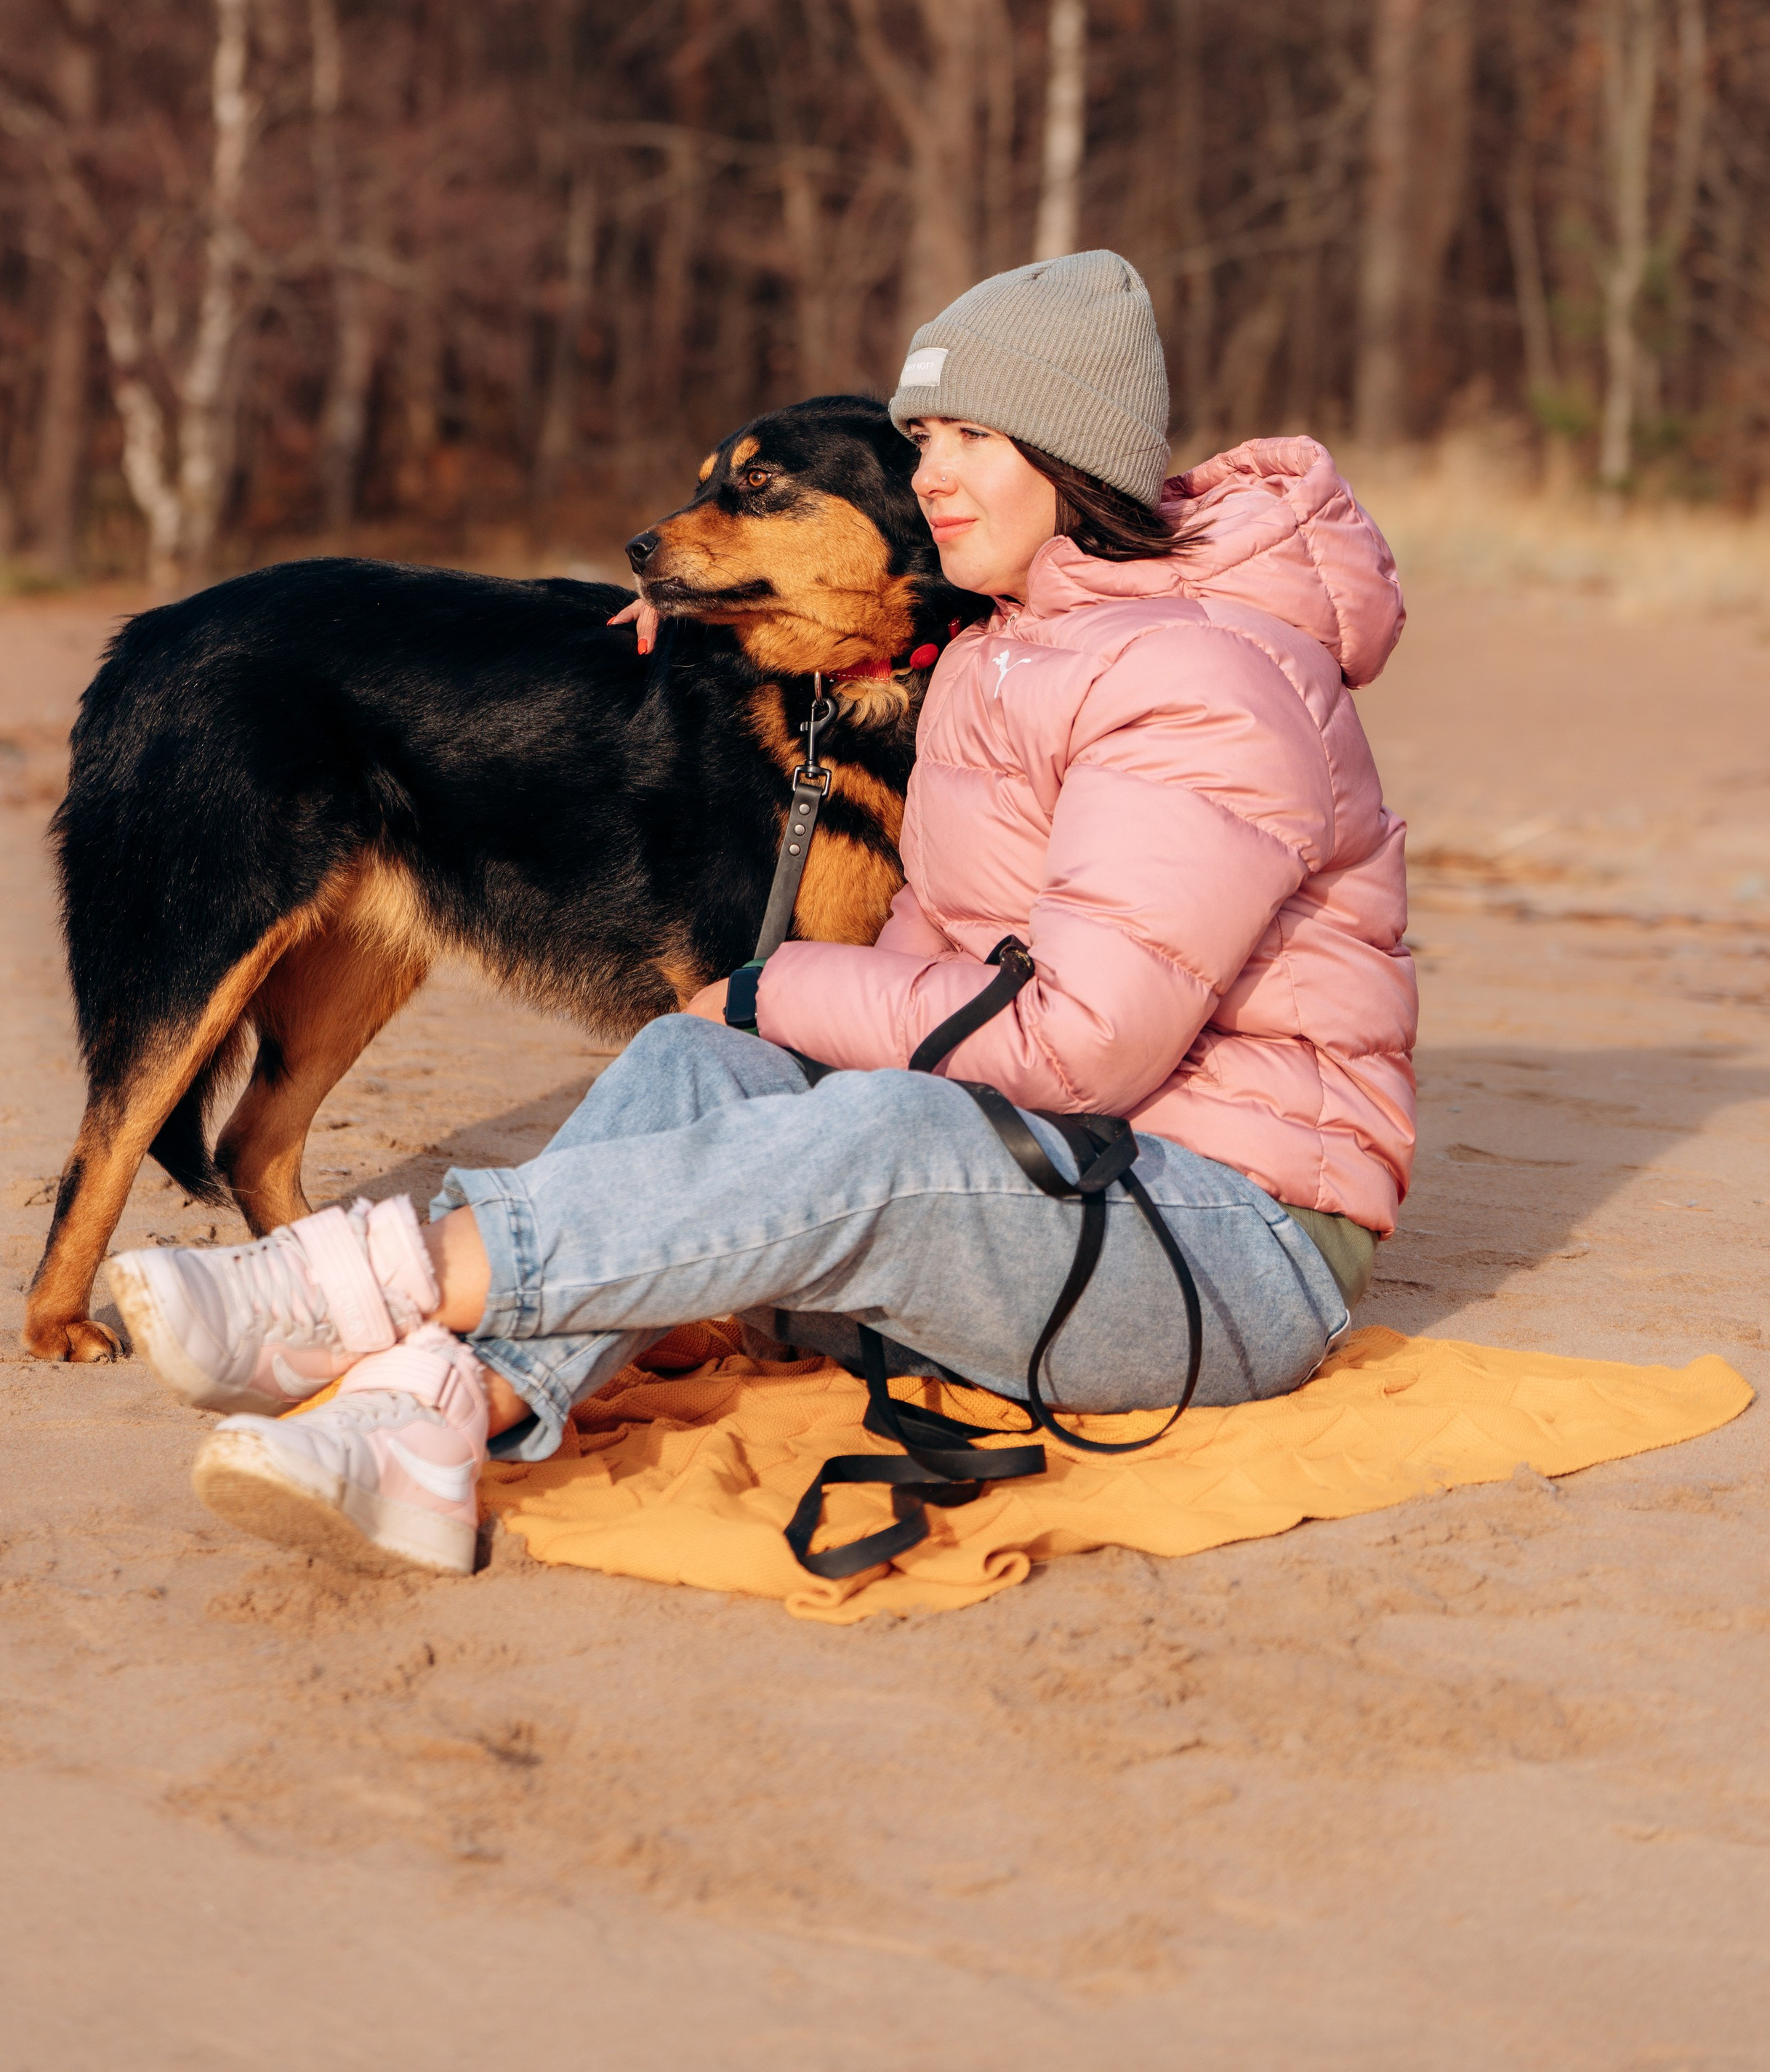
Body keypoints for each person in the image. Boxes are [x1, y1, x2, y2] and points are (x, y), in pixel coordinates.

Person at [109, 250, 1416, 1576]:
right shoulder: (1005, 653)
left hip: (1224, 1251)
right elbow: (937, 968)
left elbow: (1081, 1045)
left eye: (972, 436)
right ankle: (430, 1419)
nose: (932, 475)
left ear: (1072, 457)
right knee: (699, 1058)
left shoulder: (1203, 677)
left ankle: (368, 1284)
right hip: (1048, 1180)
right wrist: (748, 1025)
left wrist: (765, 986)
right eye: (921, 440)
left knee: (855, 1100)